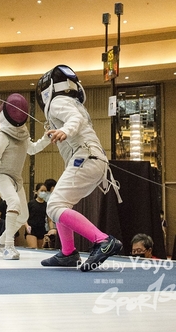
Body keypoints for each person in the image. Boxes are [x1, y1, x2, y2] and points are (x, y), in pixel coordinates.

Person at [36, 64, 122, 271]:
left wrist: (65, 130)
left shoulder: (58, 102)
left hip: (86, 157)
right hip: (91, 159)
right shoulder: (71, 102)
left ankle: (103, 241)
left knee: (54, 206)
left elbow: (74, 120)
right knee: (62, 204)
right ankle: (68, 253)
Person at [0, 93, 51, 260]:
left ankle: (0, 242)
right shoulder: (2, 135)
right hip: (2, 176)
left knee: (23, 216)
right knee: (13, 202)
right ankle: (8, 247)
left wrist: (46, 138)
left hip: (16, 179)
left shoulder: (22, 135)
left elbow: (33, 149)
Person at [25, 183, 48, 249]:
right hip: (32, 229)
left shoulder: (46, 205)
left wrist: (51, 229)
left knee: (41, 250)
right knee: (34, 248)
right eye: (42, 190)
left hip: (41, 229)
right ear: (36, 192)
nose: (43, 192)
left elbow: (49, 219)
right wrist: (27, 226)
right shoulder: (31, 203)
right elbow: (24, 217)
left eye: (45, 191)